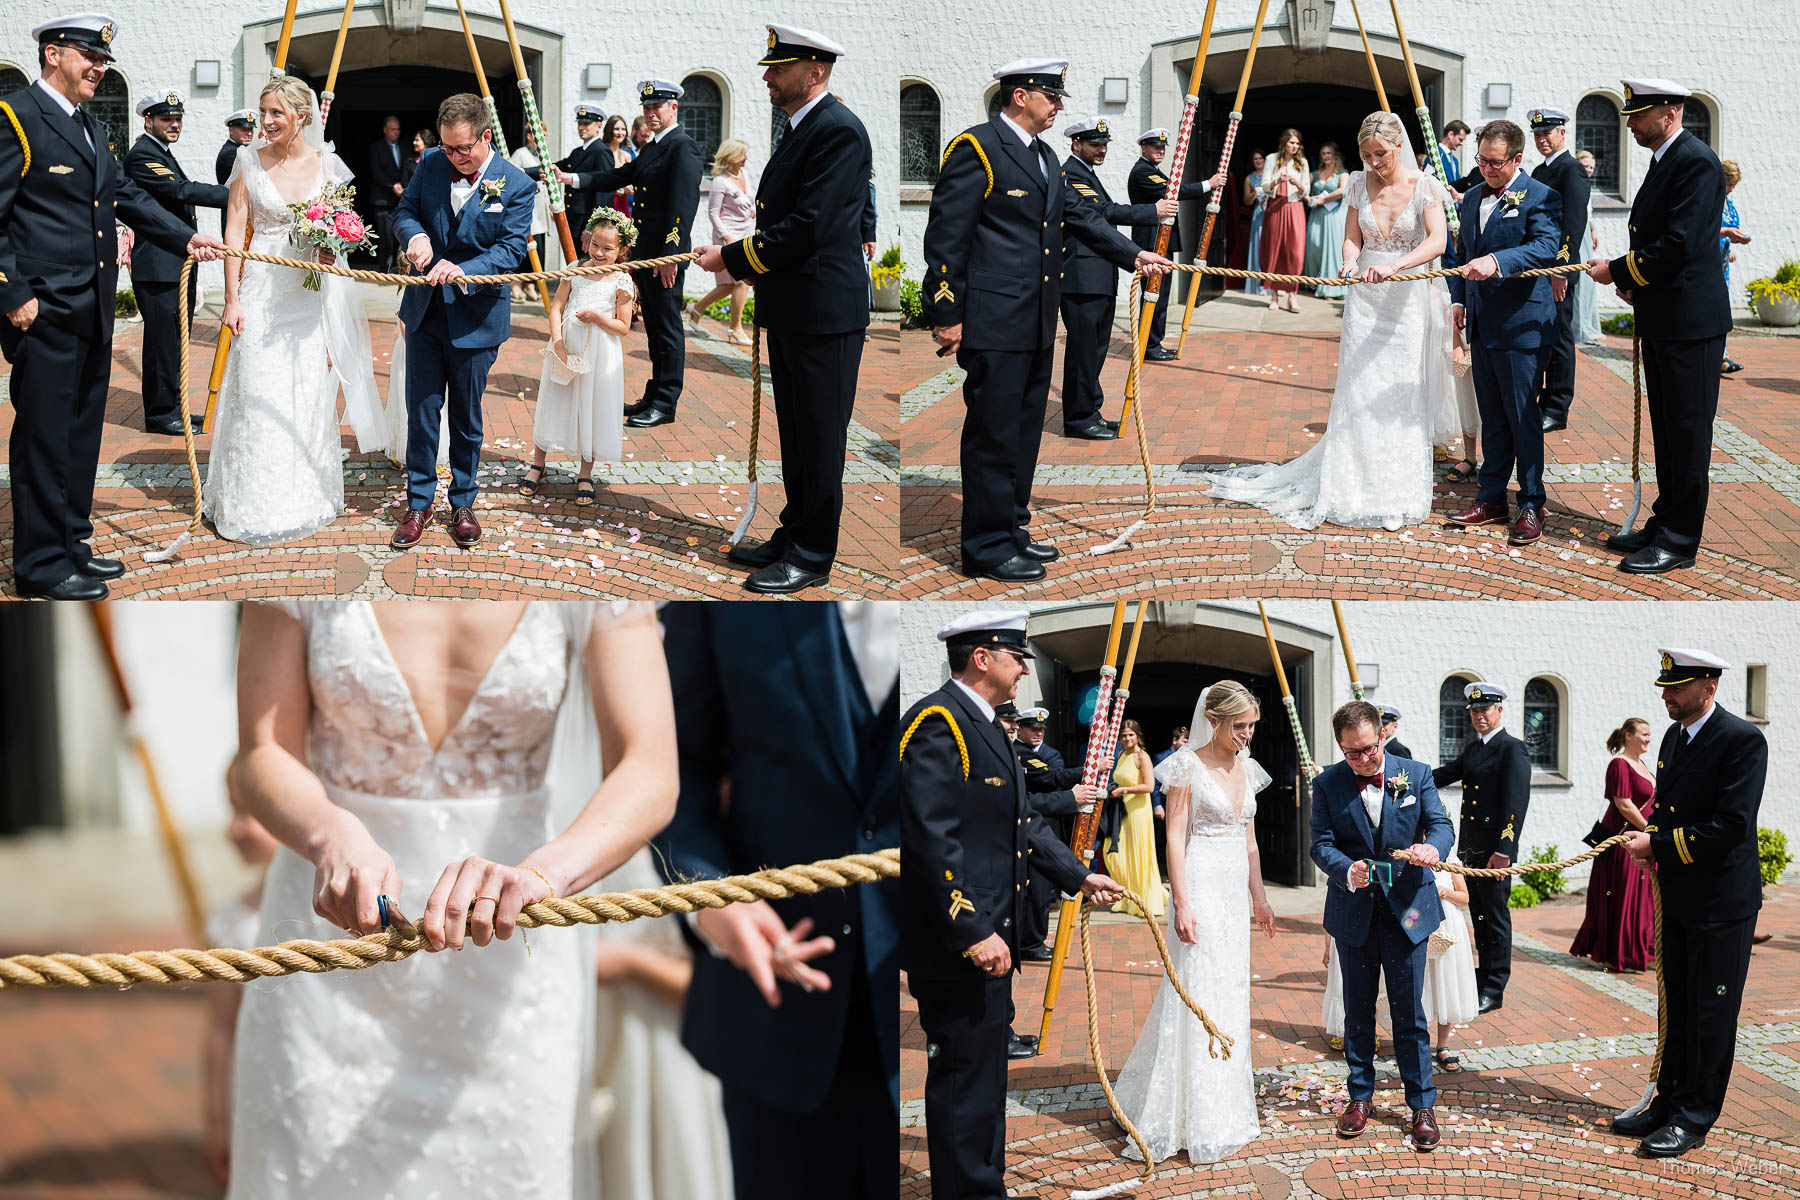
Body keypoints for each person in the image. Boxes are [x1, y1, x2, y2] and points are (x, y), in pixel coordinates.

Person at [229, 599, 677, 1197]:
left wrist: (544, 875)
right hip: (328, 964)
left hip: (511, 964)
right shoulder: (309, 539)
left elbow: (650, 767)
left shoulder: (586, 549)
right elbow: (262, 752)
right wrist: (328, 833)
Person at [655, 601, 898, 1200]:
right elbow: (675, 762)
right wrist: (708, 895)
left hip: (923, 1009)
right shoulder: (718, 600)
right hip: (776, 1024)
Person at [901, 610, 1125, 1200]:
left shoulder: (985, 726)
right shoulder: (937, 724)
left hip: (989, 937)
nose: (1024, 669)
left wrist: (1079, 876)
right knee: (963, 1079)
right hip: (960, 941)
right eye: (1015, 657)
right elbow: (929, 838)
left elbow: (1020, 824)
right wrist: (971, 928)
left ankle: (981, 1185)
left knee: (983, 1077)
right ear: (983, 658)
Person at [0, 13, 226, 599]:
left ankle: (72, 541)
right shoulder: (16, 118)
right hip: (44, 310)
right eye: (88, 56)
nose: (98, 68)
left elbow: (124, 195)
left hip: (93, 307)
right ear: (53, 54)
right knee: (44, 439)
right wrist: (12, 292)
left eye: (104, 61)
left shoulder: (89, 126)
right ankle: (40, 567)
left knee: (78, 436)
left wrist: (186, 238)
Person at [921, 59, 1171, 583]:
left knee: (1025, 431)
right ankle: (985, 547)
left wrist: (1134, 255)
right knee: (993, 433)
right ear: (1019, 96)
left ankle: (1011, 527)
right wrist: (946, 313)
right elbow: (947, 236)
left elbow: (1078, 217)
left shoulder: (1044, 155)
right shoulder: (977, 148)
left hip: (1035, 320)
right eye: (1051, 96)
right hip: (993, 319)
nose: (1059, 106)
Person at [1206, 112, 1469, 532]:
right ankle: (1351, 486)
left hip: (1406, 299)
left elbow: (1438, 240)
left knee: (1399, 393)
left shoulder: (1425, 186)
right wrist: (1349, 259)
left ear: (1398, 146)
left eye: (1380, 154)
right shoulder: (1359, 184)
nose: (1374, 162)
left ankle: (1396, 492)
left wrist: (1398, 265)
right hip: (1365, 299)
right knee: (1359, 389)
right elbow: (1352, 237)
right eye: (1366, 155)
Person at [699, 27, 873, 595]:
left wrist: (731, 256)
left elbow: (809, 227)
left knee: (820, 437)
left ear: (815, 71)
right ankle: (794, 533)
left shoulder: (838, 131)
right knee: (797, 432)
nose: (768, 76)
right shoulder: (804, 126)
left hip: (824, 310)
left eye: (780, 67)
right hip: (797, 305)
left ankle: (813, 554)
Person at [1109, 682, 1276, 1163]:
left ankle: (1223, 1105)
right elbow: (1174, 836)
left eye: (1251, 727)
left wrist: (1259, 897)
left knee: (1229, 990)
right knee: (1197, 988)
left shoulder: (1247, 764)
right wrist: (1180, 902)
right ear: (1216, 720)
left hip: (1232, 893)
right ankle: (1184, 1112)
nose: (1246, 735)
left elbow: (1250, 840)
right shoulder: (1186, 765)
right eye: (1239, 727)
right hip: (1200, 883)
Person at [1613, 649, 1767, 1158]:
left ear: (1709, 686)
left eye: (1676, 687)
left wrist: (1657, 845)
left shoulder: (1742, 740)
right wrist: (1652, 841)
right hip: (1680, 895)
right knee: (1676, 1003)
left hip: (1721, 903)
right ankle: (1669, 1102)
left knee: (1710, 1010)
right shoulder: (1677, 738)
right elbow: (1670, 808)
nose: (1665, 696)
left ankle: (1695, 1116)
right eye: (1665, 686)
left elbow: (1732, 825)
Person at [1587, 78, 1731, 575]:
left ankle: (1680, 540)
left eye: (1638, 114)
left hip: (1691, 321)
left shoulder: (1694, 161)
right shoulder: (1668, 158)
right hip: (1668, 314)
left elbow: (1679, 245)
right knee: (1668, 431)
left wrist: (1620, 270)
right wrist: (1636, 286)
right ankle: (1664, 522)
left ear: (1669, 112)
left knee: (1688, 433)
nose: (1629, 123)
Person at [390, 92, 535, 551]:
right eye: (448, 148)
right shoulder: (431, 163)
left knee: (467, 420)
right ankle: (418, 502)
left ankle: (464, 502)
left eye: (462, 149)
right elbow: (404, 212)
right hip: (426, 313)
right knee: (422, 412)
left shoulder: (517, 184)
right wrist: (414, 238)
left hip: (477, 316)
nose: (453, 157)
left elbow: (511, 250)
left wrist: (464, 270)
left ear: (485, 137)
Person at [1310, 699, 1453, 1150]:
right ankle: (1359, 1097)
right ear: (1340, 746)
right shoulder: (1328, 783)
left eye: (1369, 749)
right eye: (1352, 753)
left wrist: (1434, 848)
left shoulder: (1418, 772)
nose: (1363, 759)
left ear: (1382, 736)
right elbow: (1320, 842)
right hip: (1354, 912)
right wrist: (1343, 868)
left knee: (1410, 1013)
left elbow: (1440, 824)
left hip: (1408, 909)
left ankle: (1421, 1105)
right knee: (1357, 1009)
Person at [1445, 118, 1562, 547]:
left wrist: (1497, 261)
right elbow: (1461, 254)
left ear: (1516, 158)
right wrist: (1459, 300)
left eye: (1495, 163)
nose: (1487, 169)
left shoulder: (1541, 196)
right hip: (1482, 323)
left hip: (1522, 326)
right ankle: (1492, 497)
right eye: (1481, 160)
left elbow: (1546, 246)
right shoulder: (1472, 195)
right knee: (1492, 417)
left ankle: (1532, 501)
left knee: (1522, 417)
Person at [583, 81, 703, 430]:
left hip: (663, 258)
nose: (651, 113)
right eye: (647, 108)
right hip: (646, 255)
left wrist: (671, 256)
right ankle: (654, 394)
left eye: (658, 107)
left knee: (667, 328)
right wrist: (573, 178)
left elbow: (683, 207)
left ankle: (666, 402)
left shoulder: (682, 147)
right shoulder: (652, 147)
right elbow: (620, 175)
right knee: (653, 325)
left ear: (673, 108)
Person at [1057, 115, 1177, 440]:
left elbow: (1104, 212)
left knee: (1095, 349)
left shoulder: (1086, 174)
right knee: (1084, 351)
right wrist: (1152, 211)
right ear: (1076, 143)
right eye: (1095, 144)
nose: (1101, 150)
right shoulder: (1071, 175)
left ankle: (1090, 411)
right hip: (1082, 277)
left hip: (1097, 273)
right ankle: (1079, 418)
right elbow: (1104, 213)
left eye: (1104, 145)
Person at [124, 88, 229, 436]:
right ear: (148, 120)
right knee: (161, 345)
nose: (174, 124)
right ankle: (160, 415)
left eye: (178, 118)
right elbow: (180, 190)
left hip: (172, 264)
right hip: (157, 267)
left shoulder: (162, 151)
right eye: (166, 118)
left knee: (175, 343)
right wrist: (238, 195)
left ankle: (175, 409)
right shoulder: (142, 155)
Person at [1430, 682, 1530, 1013]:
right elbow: (1446, 774)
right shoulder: (1474, 750)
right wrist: (1408, 778)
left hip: (1494, 853)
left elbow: (1515, 804)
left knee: (1496, 919)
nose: (1479, 716)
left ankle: (1495, 986)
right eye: (1474, 711)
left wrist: (1505, 849)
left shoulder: (1511, 749)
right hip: (1472, 849)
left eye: (1485, 709)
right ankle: (1482, 973)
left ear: (1500, 710)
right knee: (1480, 916)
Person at [526, 209, 637, 504]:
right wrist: (558, 342)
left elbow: (623, 327)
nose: (599, 253)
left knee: (592, 406)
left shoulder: (621, 281)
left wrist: (598, 317)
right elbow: (556, 308)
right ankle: (539, 463)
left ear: (622, 250)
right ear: (587, 241)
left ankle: (585, 471)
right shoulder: (575, 268)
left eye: (608, 248)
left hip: (600, 353)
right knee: (554, 398)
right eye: (595, 245)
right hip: (568, 345)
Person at [1569, 717, 1658, 972]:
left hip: (1642, 839)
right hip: (1624, 842)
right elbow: (1624, 804)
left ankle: (1641, 950)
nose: (1648, 738)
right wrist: (1650, 830)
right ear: (1628, 736)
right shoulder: (1619, 764)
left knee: (1643, 898)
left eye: (1649, 734)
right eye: (1643, 733)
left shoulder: (1643, 765)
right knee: (1624, 897)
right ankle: (1618, 954)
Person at [1127, 127, 1222, 361]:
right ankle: (1149, 346)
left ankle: (1152, 342)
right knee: (1153, 294)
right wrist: (1208, 184)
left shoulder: (1153, 170)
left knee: (1159, 295)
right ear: (1143, 147)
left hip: (1160, 240)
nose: (1160, 151)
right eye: (1155, 146)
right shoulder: (1143, 172)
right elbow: (1173, 191)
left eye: (1162, 147)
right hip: (1152, 242)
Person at [1526, 107, 1591, 434]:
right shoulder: (1540, 170)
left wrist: (1561, 270)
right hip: (1540, 268)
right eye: (1537, 134)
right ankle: (1544, 400)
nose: (1542, 139)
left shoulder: (1571, 170)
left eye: (1547, 133)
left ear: (1562, 133)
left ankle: (1557, 407)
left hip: (1558, 269)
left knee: (1561, 338)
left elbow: (1573, 223)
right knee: (1545, 336)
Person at [687, 138, 754, 344]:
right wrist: (726, 237)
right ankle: (735, 329)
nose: (746, 158)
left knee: (727, 285)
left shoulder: (744, 175)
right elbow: (714, 213)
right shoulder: (720, 182)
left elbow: (750, 205)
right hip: (726, 236)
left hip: (743, 233)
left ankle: (695, 309)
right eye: (742, 154)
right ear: (731, 157)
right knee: (742, 281)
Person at [1102, 719, 1164, 920]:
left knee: (1138, 852)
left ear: (1137, 736)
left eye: (1130, 734)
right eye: (1124, 735)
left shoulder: (1142, 756)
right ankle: (1126, 896)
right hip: (1120, 810)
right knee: (1114, 853)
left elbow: (1149, 786)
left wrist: (1124, 789)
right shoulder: (1121, 755)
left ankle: (1142, 898)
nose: (1127, 738)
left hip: (1138, 811)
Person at [1421, 856, 1477, 1072]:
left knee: (1447, 982)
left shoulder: (1451, 861)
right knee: (1422, 983)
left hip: (1449, 927)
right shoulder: (1412, 858)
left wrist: (1446, 892)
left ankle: (1442, 1045)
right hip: (1421, 921)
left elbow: (1464, 897)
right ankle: (1418, 1045)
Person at [528, 103, 608, 254]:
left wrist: (593, 228)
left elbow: (603, 194)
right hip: (574, 221)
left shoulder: (601, 152)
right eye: (579, 123)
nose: (581, 127)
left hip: (586, 223)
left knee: (586, 267)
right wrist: (521, 172)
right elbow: (553, 168)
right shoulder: (578, 152)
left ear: (598, 126)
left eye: (586, 124)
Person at [1260, 128, 1308, 313]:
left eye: (1297, 143)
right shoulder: (1272, 159)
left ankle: (1292, 296)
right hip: (1275, 207)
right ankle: (1273, 295)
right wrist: (1276, 181)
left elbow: (1307, 191)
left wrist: (1296, 183)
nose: (1294, 146)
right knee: (1274, 250)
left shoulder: (1302, 162)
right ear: (1284, 143)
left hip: (1294, 207)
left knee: (1295, 253)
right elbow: (1264, 185)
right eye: (1291, 143)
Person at [507, 137, 550, 302]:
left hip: (540, 210)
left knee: (539, 250)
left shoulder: (543, 155)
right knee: (524, 249)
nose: (542, 138)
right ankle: (516, 284)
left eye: (544, 135)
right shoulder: (520, 153)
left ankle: (530, 284)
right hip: (527, 208)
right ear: (530, 136)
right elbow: (513, 173)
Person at [1304, 141, 1349, 300]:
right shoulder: (1315, 173)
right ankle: (1314, 283)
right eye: (1323, 153)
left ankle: (1332, 288)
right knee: (1314, 246)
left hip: (1334, 215)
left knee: (1332, 250)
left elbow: (1342, 190)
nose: (1325, 156)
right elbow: (1303, 187)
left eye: (1328, 153)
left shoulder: (1343, 173)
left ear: (1335, 155)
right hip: (1317, 215)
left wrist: (1323, 200)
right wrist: (1309, 199)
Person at [1719, 159, 1750, 375]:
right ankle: (1720, 357)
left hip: (1722, 266)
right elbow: (1699, 230)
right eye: (1728, 184)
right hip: (1704, 263)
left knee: (1721, 310)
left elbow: (1732, 229)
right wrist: (1727, 233)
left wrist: (1734, 242)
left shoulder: (1728, 204)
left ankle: (1721, 355)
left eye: (1733, 186)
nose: (1730, 189)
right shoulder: (1707, 199)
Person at [366, 114, 406, 271]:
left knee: (400, 235)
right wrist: (393, 186)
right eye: (393, 129)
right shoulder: (376, 147)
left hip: (400, 199)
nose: (396, 132)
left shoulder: (405, 146)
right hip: (382, 200)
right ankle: (384, 269)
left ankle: (399, 267)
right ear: (385, 130)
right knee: (386, 237)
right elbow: (376, 172)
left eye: (398, 129)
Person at [1571, 150, 1602, 344]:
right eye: (1585, 166)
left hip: (1585, 233)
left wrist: (1593, 231)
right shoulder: (1575, 183)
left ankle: (1587, 325)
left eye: (1591, 167)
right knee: (1580, 278)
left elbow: (1588, 213)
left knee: (1588, 281)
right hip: (1576, 233)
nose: (1589, 170)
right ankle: (1579, 328)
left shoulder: (1586, 184)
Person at [1242, 150, 1268, 299]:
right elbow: (1246, 202)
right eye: (1255, 159)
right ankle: (1256, 285)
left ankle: (1273, 285)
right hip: (1258, 214)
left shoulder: (1271, 176)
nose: (1258, 161)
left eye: (1260, 158)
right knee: (1258, 248)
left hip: (1271, 212)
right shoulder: (1249, 178)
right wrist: (1254, 194)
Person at [600, 113, 635, 216]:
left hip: (622, 205)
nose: (620, 133)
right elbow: (599, 180)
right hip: (605, 205)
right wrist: (620, 188)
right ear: (609, 130)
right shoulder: (602, 153)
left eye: (623, 129)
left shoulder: (627, 155)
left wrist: (629, 187)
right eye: (616, 129)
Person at [217, 108, 255, 185]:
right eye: (244, 130)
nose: (249, 134)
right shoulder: (232, 153)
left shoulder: (236, 149)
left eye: (250, 129)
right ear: (231, 130)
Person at [1436, 120, 1470, 199]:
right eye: (1460, 139)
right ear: (1450, 134)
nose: (1461, 143)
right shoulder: (1435, 155)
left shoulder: (1455, 160)